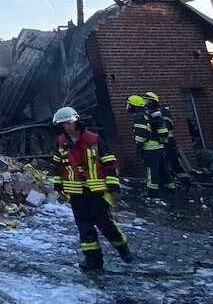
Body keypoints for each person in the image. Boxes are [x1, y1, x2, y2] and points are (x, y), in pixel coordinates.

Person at [50, 106, 131, 271]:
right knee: (84, 228)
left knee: (106, 225)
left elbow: (110, 165)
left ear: (76, 121)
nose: (67, 127)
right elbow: (58, 166)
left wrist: (114, 189)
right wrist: (58, 185)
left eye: (69, 123)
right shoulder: (61, 142)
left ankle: (123, 249)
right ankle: (93, 260)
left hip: (97, 192)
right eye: (64, 124)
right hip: (76, 193)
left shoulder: (94, 140)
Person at [130, 93, 173, 195]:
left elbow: (141, 135)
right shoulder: (148, 114)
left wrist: (138, 147)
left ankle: (152, 194)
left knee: (151, 171)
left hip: (149, 148)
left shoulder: (139, 116)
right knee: (163, 170)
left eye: (129, 104)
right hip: (159, 146)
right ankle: (171, 191)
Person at [145, 90, 189, 184]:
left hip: (168, 140)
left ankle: (185, 182)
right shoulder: (150, 112)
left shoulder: (163, 111)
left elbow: (167, 125)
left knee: (174, 161)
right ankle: (168, 182)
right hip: (158, 142)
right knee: (162, 163)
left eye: (148, 100)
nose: (146, 102)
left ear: (153, 101)